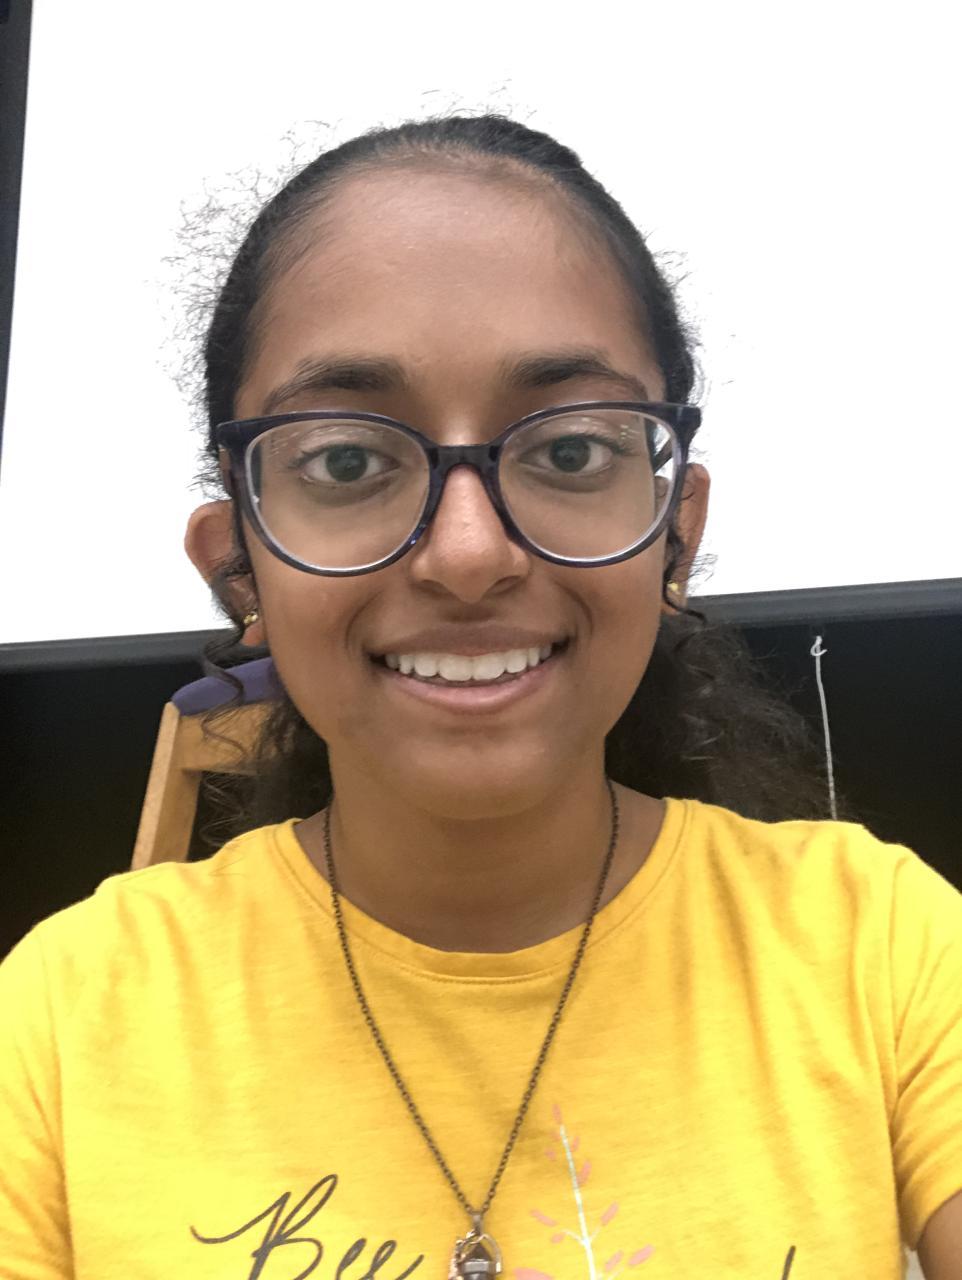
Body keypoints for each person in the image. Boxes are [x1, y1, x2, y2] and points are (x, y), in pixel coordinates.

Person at [1, 115, 960, 1280]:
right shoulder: (63, 1016)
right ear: (238, 565)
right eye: (346, 460)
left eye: (568, 451)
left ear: (674, 536)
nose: (466, 554)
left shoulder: (879, 945)